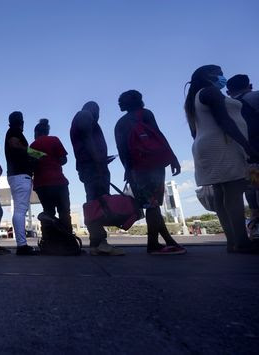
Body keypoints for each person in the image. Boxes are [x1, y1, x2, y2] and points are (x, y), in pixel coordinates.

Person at [185, 66, 259, 253]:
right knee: (234, 192)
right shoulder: (210, 92)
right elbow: (225, 120)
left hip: (205, 145)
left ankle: (232, 241)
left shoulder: (193, 98)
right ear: (208, 76)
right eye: (218, 72)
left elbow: (195, 130)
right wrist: (246, 146)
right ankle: (241, 241)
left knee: (221, 194)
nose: (221, 76)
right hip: (222, 143)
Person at [115, 90, 186, 255]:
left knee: (152, 206)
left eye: (121, 101)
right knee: (153, 206)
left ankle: (167, 241)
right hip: (153, 166)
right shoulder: (145, 114)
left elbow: (122, 149)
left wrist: (128, 169)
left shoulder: (120, 123)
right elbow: (158, 136)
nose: (118, 103)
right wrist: (172, 158)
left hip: (136, 169)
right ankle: (153, 244)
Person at [70, 102, 125, 256]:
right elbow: (88, 139)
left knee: (95, 203)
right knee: (98, 203)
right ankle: (100, 243)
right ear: (94, 109)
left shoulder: (82, 117)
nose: (99, 116)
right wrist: (99, 162)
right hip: (94, 167)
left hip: (92, 165)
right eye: (99, 112)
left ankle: (97, 243)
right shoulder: (85, 115)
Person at [226, 74, 259, 239]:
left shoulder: (227, 105)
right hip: (257, 149)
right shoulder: (254, 97)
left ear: (228, 91)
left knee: (252, 189)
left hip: (243, 155)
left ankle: (254, 227)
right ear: (250, 85)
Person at [30, 118, 73, 236]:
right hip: (59, 181)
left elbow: (32, 165)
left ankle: (49, 241)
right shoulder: (55, 140)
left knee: (48, 212)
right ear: (47, 131)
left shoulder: (33, 145)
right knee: (64, 212)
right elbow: (64, 159)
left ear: (36, 133)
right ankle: (68, 242)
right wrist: (54, 162)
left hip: (42, 184)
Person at [5, 111, 38, 255]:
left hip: (16, 175)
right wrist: (35, 153)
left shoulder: (12, 131)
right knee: (20, 210)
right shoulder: (14, 131)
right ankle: (22, 245)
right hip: (19, 175)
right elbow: (14, 144)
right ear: (20, 122)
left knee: (20, 209)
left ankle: (22, 244)